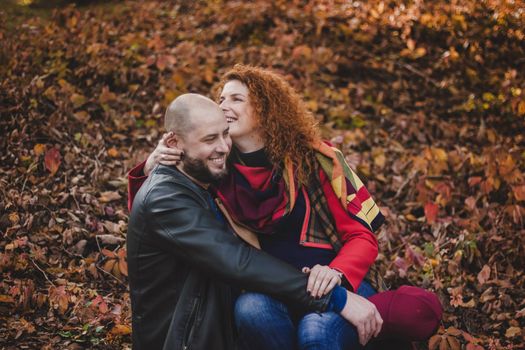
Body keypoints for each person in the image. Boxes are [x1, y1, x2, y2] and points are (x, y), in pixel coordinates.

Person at [129, 66, 442, 349]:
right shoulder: (218, 168)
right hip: (269, 289)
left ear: (266, 110)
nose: (223, 106)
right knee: (250, 311)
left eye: (236, 99)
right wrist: (153, 167)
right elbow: (161, 220)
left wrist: (336, 275)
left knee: (316, 333)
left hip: (330, 282)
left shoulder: (315, 160)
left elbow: (362, 237)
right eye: (220, 99)